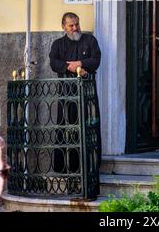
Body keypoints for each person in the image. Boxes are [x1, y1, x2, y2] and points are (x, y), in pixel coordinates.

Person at [49, 12, 101, 194]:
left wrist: (81, 63)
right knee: (65, 127)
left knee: (87, 128)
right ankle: (65, 167)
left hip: (86, 95)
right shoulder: (58, 44)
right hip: (66, 94)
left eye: (77, 24)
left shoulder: (90, 40)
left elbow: (96, 60)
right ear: (63, 26)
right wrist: (68, 67)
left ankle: (89, 166)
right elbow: (53, 62)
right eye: (71, 25)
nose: (75, 28)